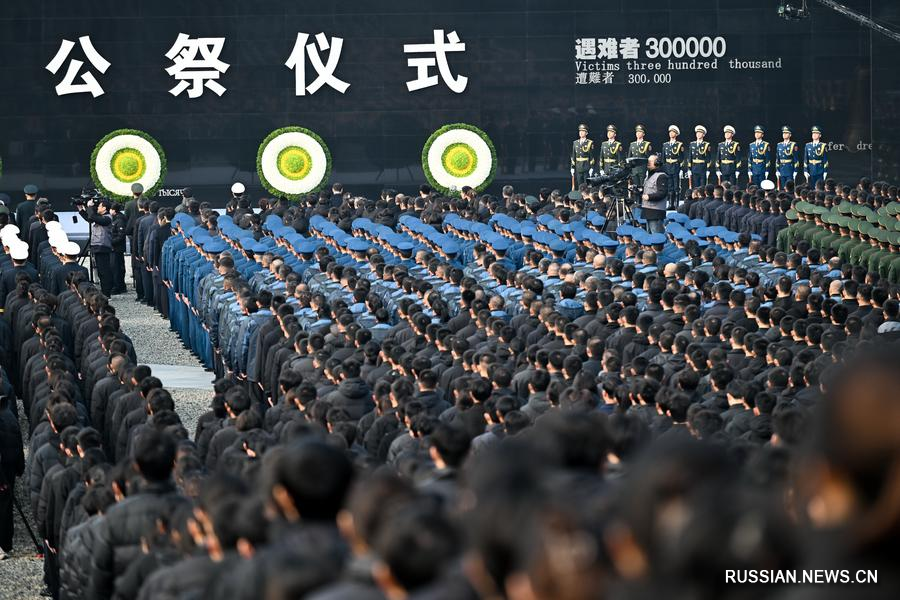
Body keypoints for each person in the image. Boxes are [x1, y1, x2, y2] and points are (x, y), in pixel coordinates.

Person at [78, 197, 115, 296]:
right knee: (100, 270)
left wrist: (89, 207)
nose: (97, 207)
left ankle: (106, 292)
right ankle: (104, 290)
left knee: (104, 270)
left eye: (99, 206)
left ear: (104, 208)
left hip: (103, 246)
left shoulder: (107, 218)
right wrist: (81, 209)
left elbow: (93, 217)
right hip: (97, 245)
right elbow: (90, 218)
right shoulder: (100, 217)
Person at [641, 154, 668, 233]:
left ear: (657, 163)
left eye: (650, 161)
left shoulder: (661, 176)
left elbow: (662, 193)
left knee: (656, 236)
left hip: (656, 211)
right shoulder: (649, 176)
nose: (648, 163)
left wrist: (649, 197)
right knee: (649, 236)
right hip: (648, 211)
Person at [661, 125, 685, 209]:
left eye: (673, 132)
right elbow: (663, 158)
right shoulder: (665, 145)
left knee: (676, 186)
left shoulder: (679, 145)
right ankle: (671, 204)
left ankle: (676, 204)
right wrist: (664, 168)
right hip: (668, 167)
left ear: (676, 134)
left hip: (676, 166)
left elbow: (682, 158)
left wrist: (681, 169)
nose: (671, 133)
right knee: (670, 186)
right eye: (670, 132)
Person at [109, 203, 128, 294]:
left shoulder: (119, 220)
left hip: (117, 248)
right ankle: (120, 286)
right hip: (116, 248)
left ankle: (118, 287)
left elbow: (121, 235)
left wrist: (110, 242)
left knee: (116, 268)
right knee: (117, 268)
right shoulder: (116, 218)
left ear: (114, 210)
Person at [570, 124, 595, 188]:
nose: (581, 132)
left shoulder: (589, 142)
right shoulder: (575, 143)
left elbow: (591, 156)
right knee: (580, 185)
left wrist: (592, 167)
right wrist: (572, 167)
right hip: (578, 167)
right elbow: (573, 156)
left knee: (586, 186)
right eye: (580, 131)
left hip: (586, 166)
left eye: (583, 131)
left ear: (586, 133)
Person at [776, 125, 800, 190]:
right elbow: (777, 159)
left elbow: (796, 159)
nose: (784, 134)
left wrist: (795, 170)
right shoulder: (779, 145)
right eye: (783, 133)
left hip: (789, 168)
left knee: (789, 188)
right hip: (782, 169)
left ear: (790, 135)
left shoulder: (793, 145)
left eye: (786, 133)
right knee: (782, 187)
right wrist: (777, 170)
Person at [688, 125, 712, 190]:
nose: (698, 134)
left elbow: (708, 158)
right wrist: (689, 169)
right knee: (695, 187)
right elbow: (690, 157)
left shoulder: (706, 145)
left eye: (700, 133)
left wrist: (708, 169)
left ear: (703, 135)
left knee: (702, 187)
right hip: (694, 168)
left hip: (702, 168)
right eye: (697, 133)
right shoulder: (692, 144)